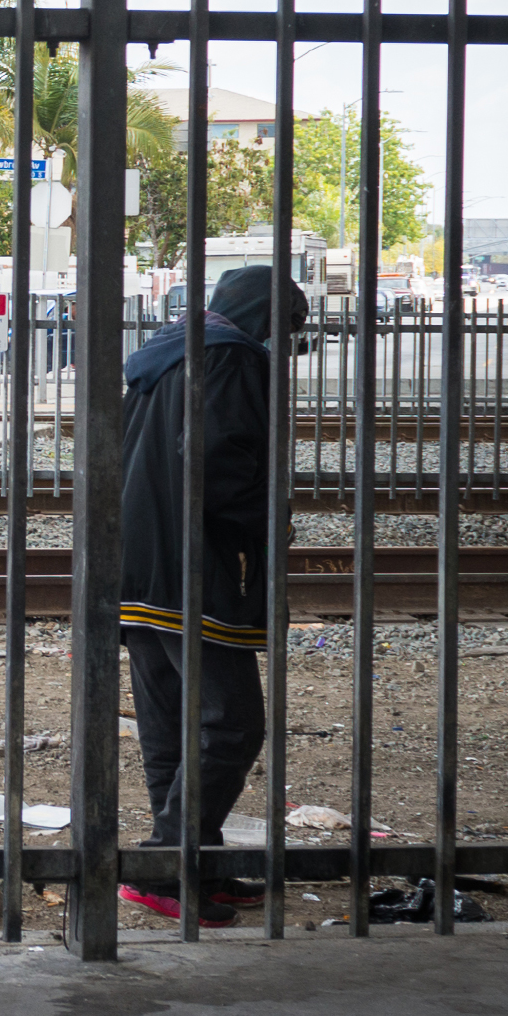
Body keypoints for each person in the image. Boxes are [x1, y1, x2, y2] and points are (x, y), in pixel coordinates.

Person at [115, 261, 306, 923]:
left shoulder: (166, 354)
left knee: (170, 723)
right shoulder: (233, 357)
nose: (283, 343)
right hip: (191, 565)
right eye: (286, 327)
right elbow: (219, 465)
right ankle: (168, 863)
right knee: (231, 723)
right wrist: (269, 522)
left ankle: (191, 865)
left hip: (135, 560)